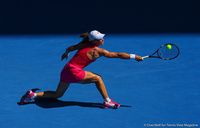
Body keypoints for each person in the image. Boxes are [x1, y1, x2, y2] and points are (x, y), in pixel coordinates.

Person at [19, 30, 143, 109]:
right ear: (94, 40)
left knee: (58, 94)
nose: (103, 39)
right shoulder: (98, 51)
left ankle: (32, 95)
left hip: (66, 70)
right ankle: (107, 102)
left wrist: (66, 53)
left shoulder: (84, 44)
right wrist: (134, 56)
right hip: (74, 72)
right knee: (98, 78)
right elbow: (118, 55)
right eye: (100, 38)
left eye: (102, 37)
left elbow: (70, 47)